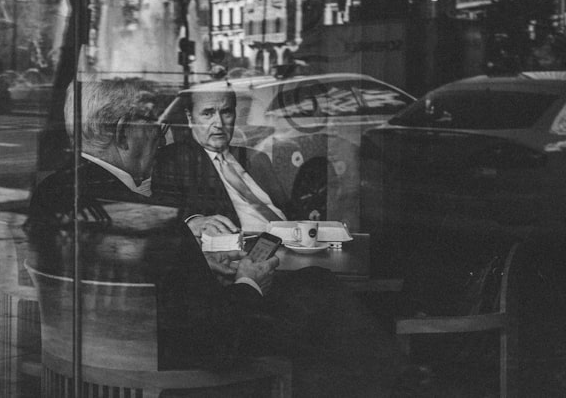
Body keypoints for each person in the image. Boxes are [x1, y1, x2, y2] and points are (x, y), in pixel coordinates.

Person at [27, 79, 409, 396]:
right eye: (154, 127)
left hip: (100, 359)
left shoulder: (53, 193)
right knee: (323, 302)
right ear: (123, 133)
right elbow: (218, 344)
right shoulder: (149, 215)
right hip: (177, 369)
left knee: (315, 291)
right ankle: (398, 383)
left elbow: (146, 277)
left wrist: (198, 263)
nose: (161, 138)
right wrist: (248, 282)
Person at [152, 86, 304, 235]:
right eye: (207, 114)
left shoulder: (256, 158)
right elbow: (164, 215)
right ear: (190, 118)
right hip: (244, 249)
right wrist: (192, 222)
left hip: (292, 242)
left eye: (226, 112)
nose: (219, 124)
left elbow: (288, 211)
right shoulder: (172, 159)